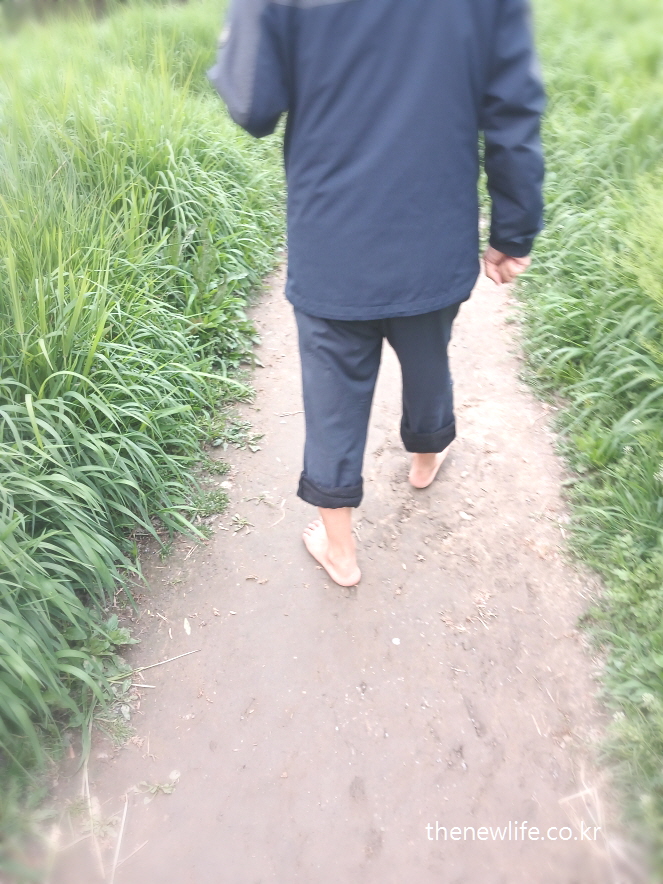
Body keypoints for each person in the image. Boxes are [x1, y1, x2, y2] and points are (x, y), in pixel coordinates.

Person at [208, 0, 545, 588]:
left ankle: (340, 551)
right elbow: (513, 110)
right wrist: (513, 229)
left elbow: (253, 105)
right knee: (426, 349)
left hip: (333, 238)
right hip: (433, 232)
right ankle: (424, 458)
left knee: (333, 390)